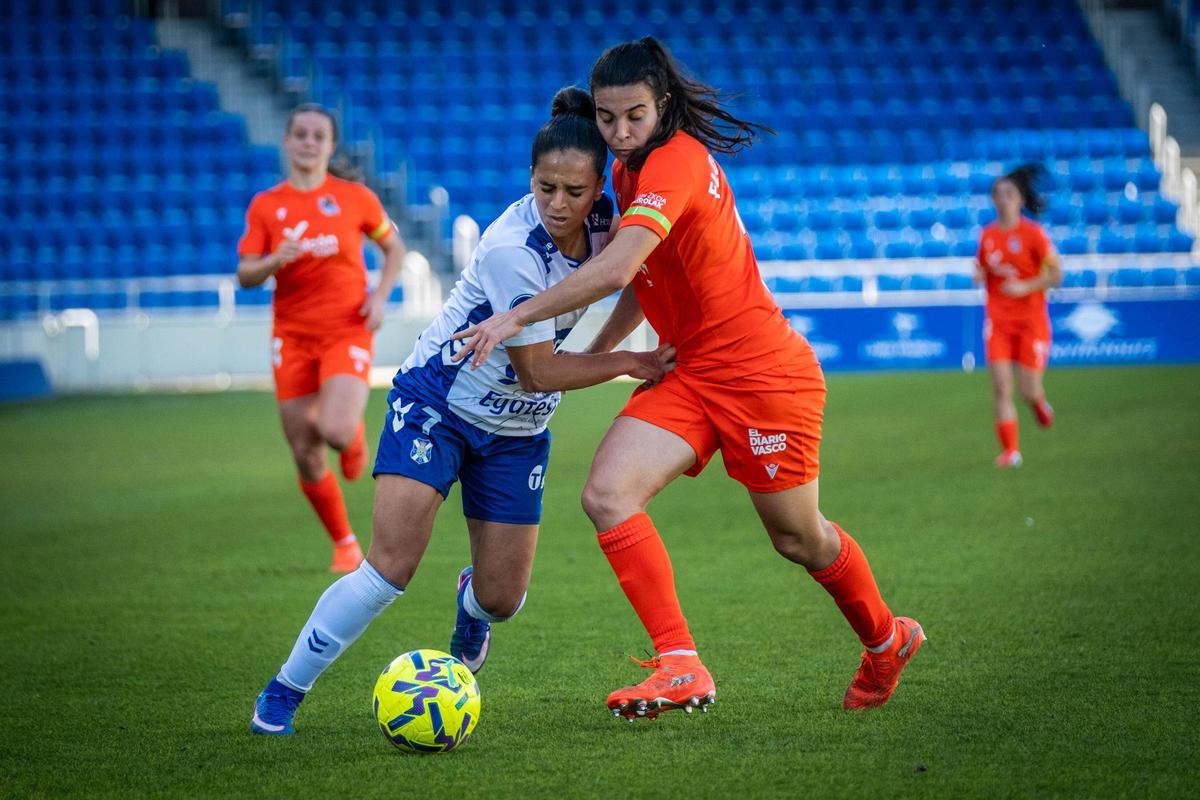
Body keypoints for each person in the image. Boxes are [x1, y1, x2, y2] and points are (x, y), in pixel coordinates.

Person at [452, 38, 925, 719]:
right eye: (607, 119)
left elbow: (616, 269)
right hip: (689, 371)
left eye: (633, 117)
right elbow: (645, 280)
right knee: (608, 495)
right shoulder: (627, 173)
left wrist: (513, 319)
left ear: (664, 105)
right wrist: (611, 350)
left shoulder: (674, 163)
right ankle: (680, 664)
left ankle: (886, 640)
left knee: (798, 538)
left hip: (763, 376)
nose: (617, 133)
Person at [249, 87, 675, 735]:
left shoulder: (612, 225)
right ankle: (284, 690)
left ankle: (469, 607)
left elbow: (639, 280)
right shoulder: (513, 250)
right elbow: (538, 372)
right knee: (388, 567)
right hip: (440, 402)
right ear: (529, 179)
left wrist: (610, 343)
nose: (558, 205)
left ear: (598, 189)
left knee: (502, 599)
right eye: (544, 187)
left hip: (519, 431)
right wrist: (624, 364)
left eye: (573, 191)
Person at [237, 104, 407, 573]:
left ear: (331, 146)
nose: (309, 142)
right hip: (291, 336)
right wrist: (274, 260)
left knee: (332, 431)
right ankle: (344, 543)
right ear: (287, 142)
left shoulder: (355, 198)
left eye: (319, 136)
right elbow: (245, 273)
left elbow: (393, 247)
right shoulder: (267, 206)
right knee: (304, 448)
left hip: (346, 328)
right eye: (301, 134)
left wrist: (380, 297)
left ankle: (351, 438)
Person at [976, 164, 1062, 468]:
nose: (1002, 199)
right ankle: (1011, 451)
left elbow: (1056, 274)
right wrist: (978, 273)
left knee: (1028, 389)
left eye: (1009, 194)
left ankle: (1038, 402)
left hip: (1031, 320)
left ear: (1021, 199)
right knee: (1001, 386)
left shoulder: (1034, 234)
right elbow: (984, 268)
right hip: (998, 320)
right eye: (997, 194)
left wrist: (1026, 285)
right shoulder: (986, 235)